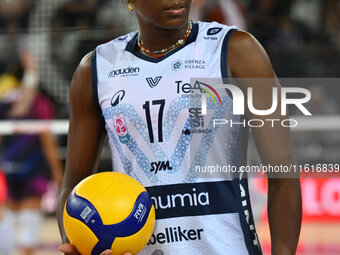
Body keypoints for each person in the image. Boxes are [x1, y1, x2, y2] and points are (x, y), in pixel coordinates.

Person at [57, 0, 302, 254]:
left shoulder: (236, 50)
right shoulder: (96, 69)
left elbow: (284, 175)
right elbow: (73, 188)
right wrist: (77, 244)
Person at [0, 59, 64, 255]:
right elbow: (47, 141)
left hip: (9, 167)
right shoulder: (39, 103)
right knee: (26, 227)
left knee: (12, 221)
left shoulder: (4, 101)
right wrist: (58, 174)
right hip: (31, 169)